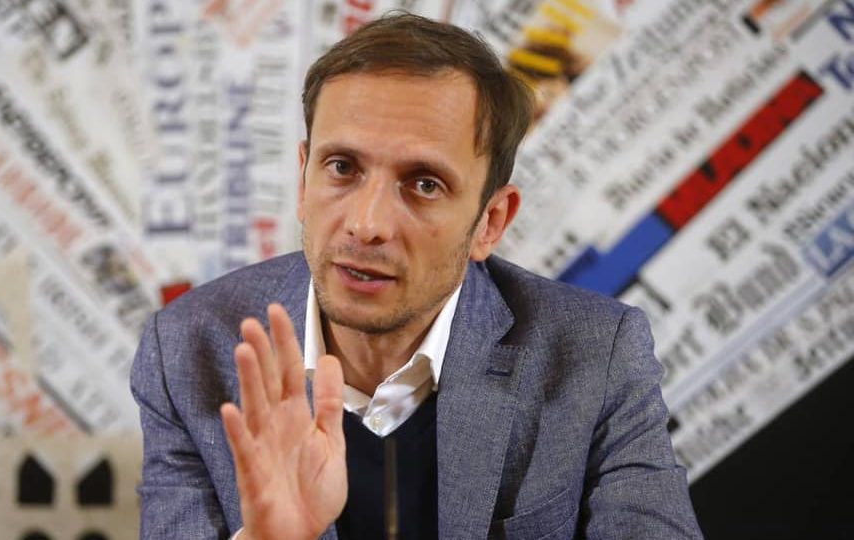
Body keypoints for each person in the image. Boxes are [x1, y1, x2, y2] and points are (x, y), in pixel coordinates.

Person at [131, 12, 703, 540]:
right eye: (342, 167)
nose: (367, 224)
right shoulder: (186, 354)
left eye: (424, 184)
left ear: (490, 222)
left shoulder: (596, 355)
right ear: (303, 180)